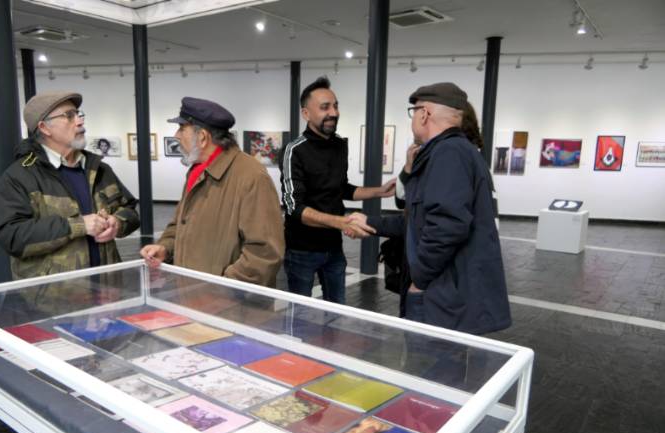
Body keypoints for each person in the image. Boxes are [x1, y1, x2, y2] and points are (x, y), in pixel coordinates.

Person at [0, 91, 140, 433]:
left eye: (79, 113)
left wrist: (117, 223)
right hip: (52, 304)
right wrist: (79, 225)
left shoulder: (98, 168)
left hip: (105, 295)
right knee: (51, 383)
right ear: (44, 127)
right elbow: (12, 237)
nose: (80, 121)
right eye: (70, 115)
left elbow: (130, 209)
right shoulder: (20, 176)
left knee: (104, 374)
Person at [348, 82, 511, 334]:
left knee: (432, 359)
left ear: (424, 114)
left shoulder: (449, 153)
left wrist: (420, 279)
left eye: (413, 112)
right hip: (445, 293)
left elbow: (447, 226)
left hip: (442, 295)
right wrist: (371, 222)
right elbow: (419, 219)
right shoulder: (452, 152)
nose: (413, 119)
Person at [140, 97, 284, 287]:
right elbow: (180, 224)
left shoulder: (251, 176)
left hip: (226, 301)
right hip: (192, 293)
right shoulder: (198, 171)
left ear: (202, 137)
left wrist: (224, 289)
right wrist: (164, 247)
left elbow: (265, 253)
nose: (176, 135)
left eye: (182, 128)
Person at [280, 76, 396, 304]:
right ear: (306, 113)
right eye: (325, 107)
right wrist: (341, 222)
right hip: (302, 250)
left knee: (337, 311)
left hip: (334, 248)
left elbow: (341, 189)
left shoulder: (340, 145)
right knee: (299, 313)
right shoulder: (293, 150)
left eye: (335, 106)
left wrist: (379, 191)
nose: (333, 112)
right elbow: (294, 208)